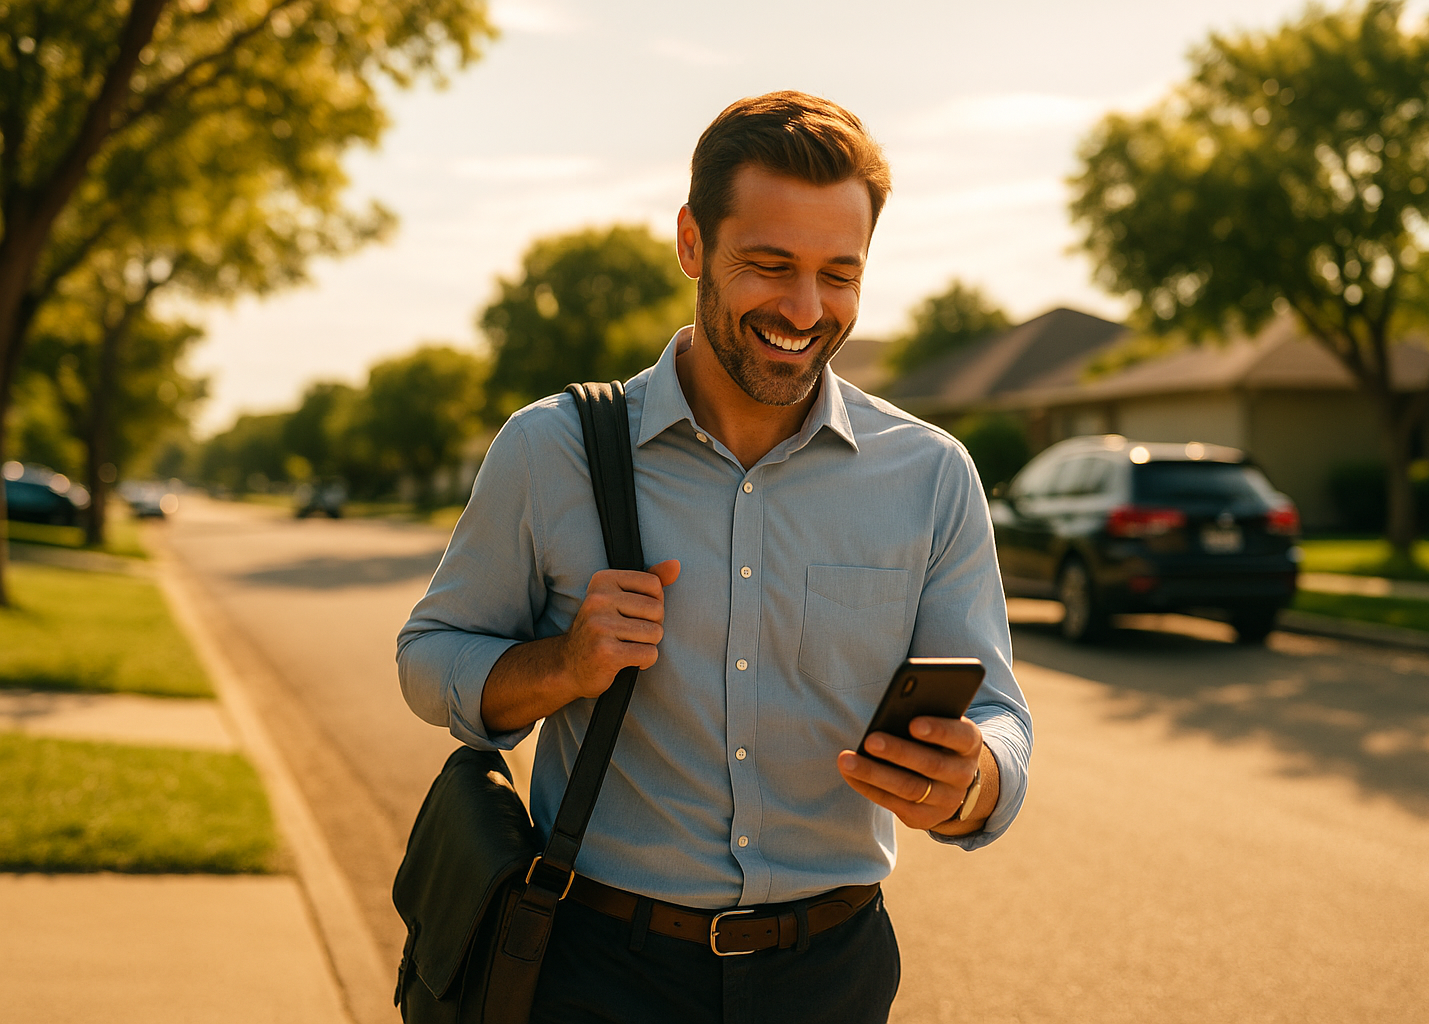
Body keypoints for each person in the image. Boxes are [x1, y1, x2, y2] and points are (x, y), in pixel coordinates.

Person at [398, 90, 1032, 1024]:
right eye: (770, 265)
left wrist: (973, 779)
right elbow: (429, 659)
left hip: (833, 974)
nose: (806, 309)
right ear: (693, 244)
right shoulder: (550, 450)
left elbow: (1000, 715)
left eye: (839, 274)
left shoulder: (930, 475)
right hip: (597, 970)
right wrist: (564, 667)